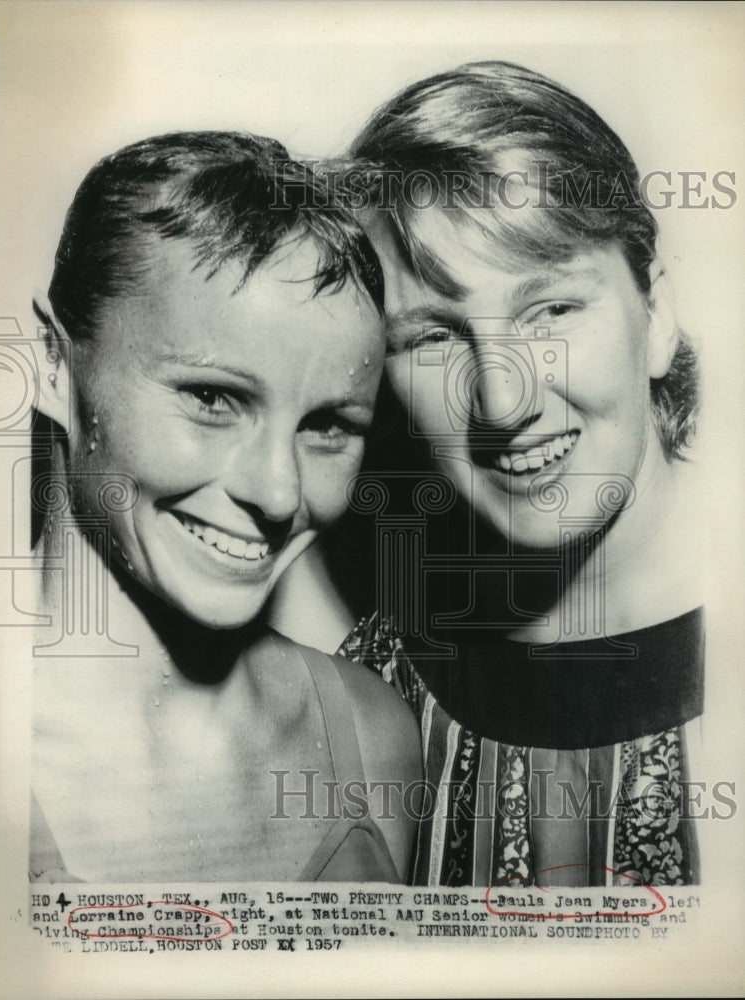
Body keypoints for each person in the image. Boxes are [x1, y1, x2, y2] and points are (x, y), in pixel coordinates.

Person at [326, 61, 703, 887]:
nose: (502, 400)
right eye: (433, 336)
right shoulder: (371, 690)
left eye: (552, 310)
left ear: (657, 319)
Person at [28, 131, 420, 884]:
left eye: (327, 426)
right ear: (51, 366)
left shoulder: (374, 736)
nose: (279, 493)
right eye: (212, 399)